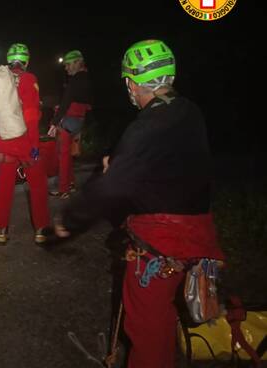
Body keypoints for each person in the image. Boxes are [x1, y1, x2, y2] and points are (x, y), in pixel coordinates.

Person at [62, 39, 225, 368]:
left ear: (132, 83)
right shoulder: (189, 111)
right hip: (201, 237)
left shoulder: (143, 127)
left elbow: (111, 188)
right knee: (164, 319)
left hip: (159, 245)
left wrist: (70, 220)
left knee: (146, 326)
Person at [0, 43, 67, 245]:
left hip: (4, 142)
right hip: (25, 143)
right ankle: (40, 230)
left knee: (4, 188)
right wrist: (34, 148)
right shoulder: (29, 79)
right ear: (26, 60)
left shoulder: (1, 78)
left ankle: (1, 231)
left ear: (9, 60)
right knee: (38, 186)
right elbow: (31, 117)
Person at [48, 50, 92, 198]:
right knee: (68, 154)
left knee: (63, 155)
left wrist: (54, 123)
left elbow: (66, 102)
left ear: (76, 63)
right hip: (79, 120)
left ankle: (63, 189)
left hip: (69, 120)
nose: (66, 68)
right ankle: (71, 183)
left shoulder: (75, 80)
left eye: (68, 65)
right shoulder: (87, 77)